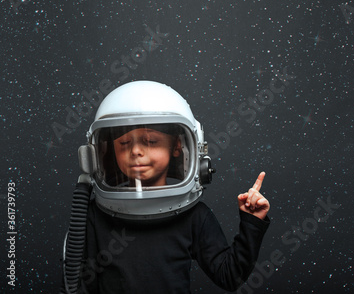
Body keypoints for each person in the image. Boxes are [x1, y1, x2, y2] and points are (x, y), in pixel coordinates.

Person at [61, 81, 270, 294]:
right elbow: (80, 285)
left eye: (151, 141)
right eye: (124, 143)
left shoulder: (194, 217)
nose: (136, 151)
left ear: (178, 147)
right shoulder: (94, 217)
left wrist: (252, 223)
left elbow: (229, 276)